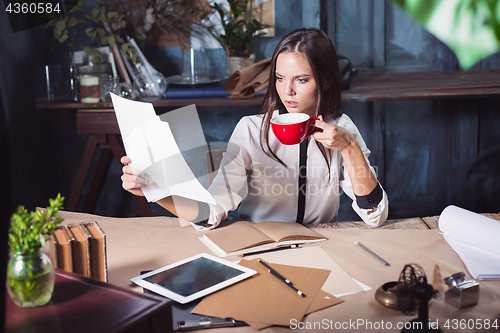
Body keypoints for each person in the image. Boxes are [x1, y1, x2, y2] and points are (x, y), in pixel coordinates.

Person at [121, 27, 388, 229]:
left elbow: (375, 214)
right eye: (280, 78)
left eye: (302, 80)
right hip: (261, 249)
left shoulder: (341, 128)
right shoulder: (250, 130)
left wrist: (350, 148)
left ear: (327, 81)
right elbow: (213, 212)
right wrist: (156, 191)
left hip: (322, 247)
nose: (288, 91)